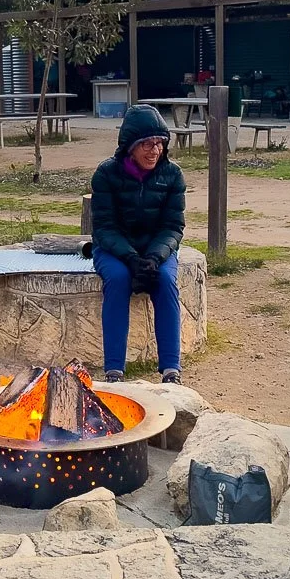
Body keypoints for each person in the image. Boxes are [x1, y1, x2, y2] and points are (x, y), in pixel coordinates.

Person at [90, 104, 186, 385]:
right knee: (118, 279)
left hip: (157, 249)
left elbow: (173, 227)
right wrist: (131, 259)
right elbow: (104, 228)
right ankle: (114, 371)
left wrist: (155, 258)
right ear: (129, 146)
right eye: (146, 143)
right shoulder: (106, 174)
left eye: (159, 143)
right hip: (114, 249)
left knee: (165, 280)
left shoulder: (173, 175)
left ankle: (171, 370)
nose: (154, 150)